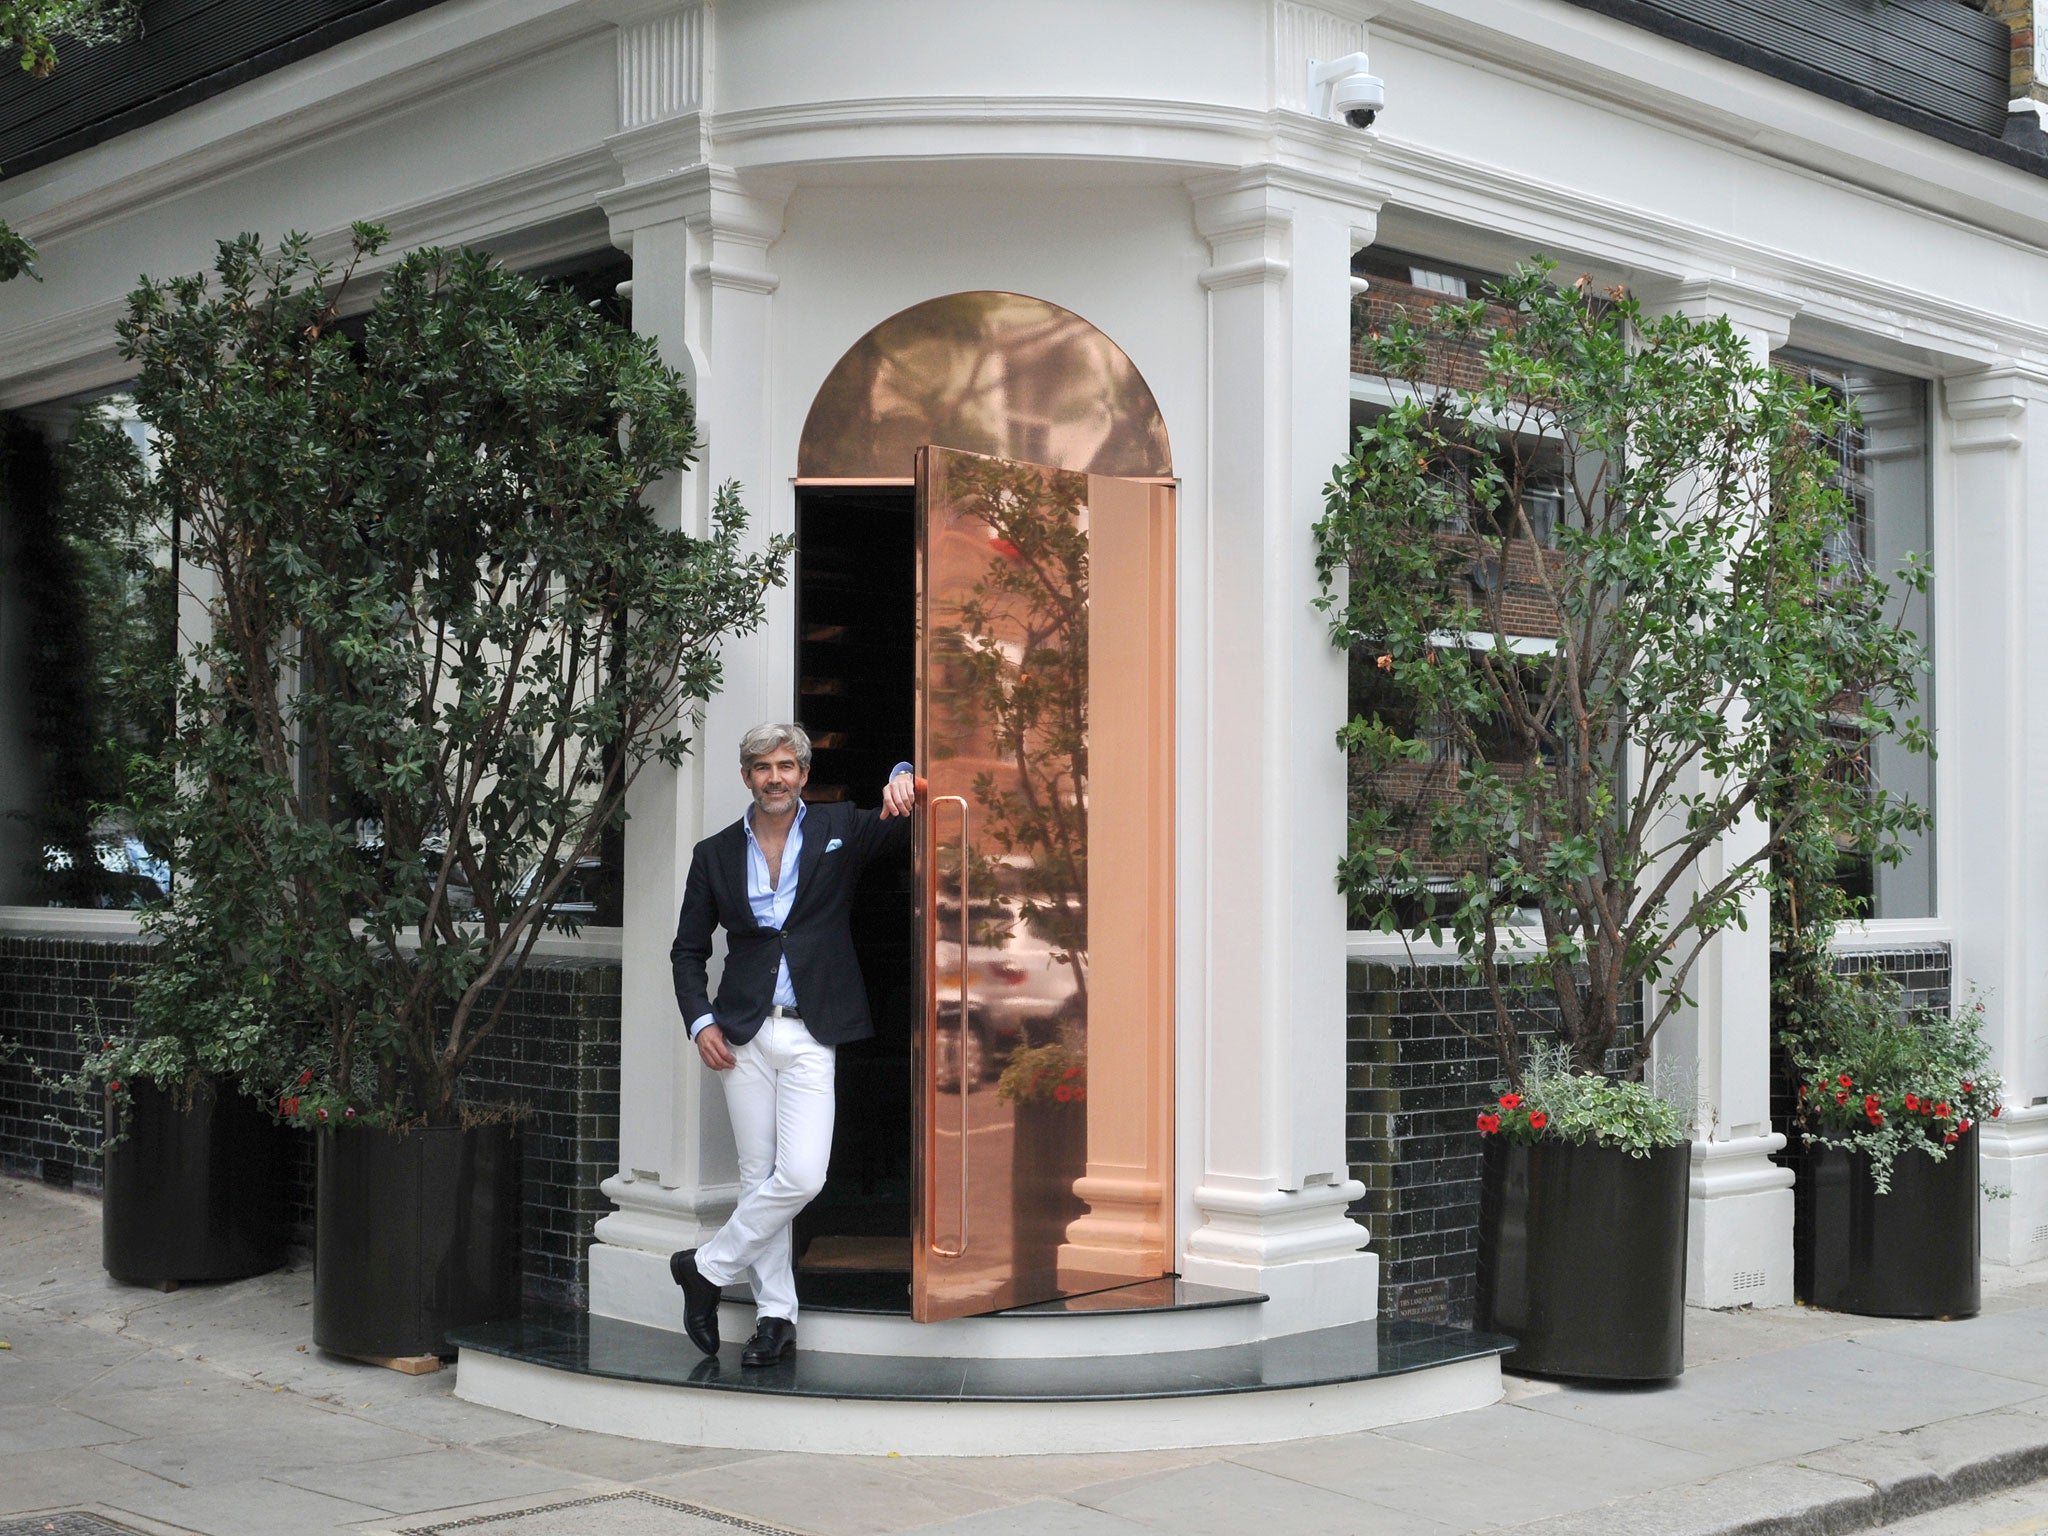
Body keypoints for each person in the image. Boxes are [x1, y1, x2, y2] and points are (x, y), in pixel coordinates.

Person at [668, 722, 916, 1366]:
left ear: (804, 775)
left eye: (786, 766)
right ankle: (775, 1319)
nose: (774, 777)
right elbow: (687, 951)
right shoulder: (714, 853)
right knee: (758, 1178)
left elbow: (909, 821)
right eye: (761, 766)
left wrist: (904, 770)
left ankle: (707, 1266)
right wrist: (702, 1022)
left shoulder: (840, 827)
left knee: (801, 1175)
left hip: (813, 1029)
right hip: (742, 1033)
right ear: (746, 776)